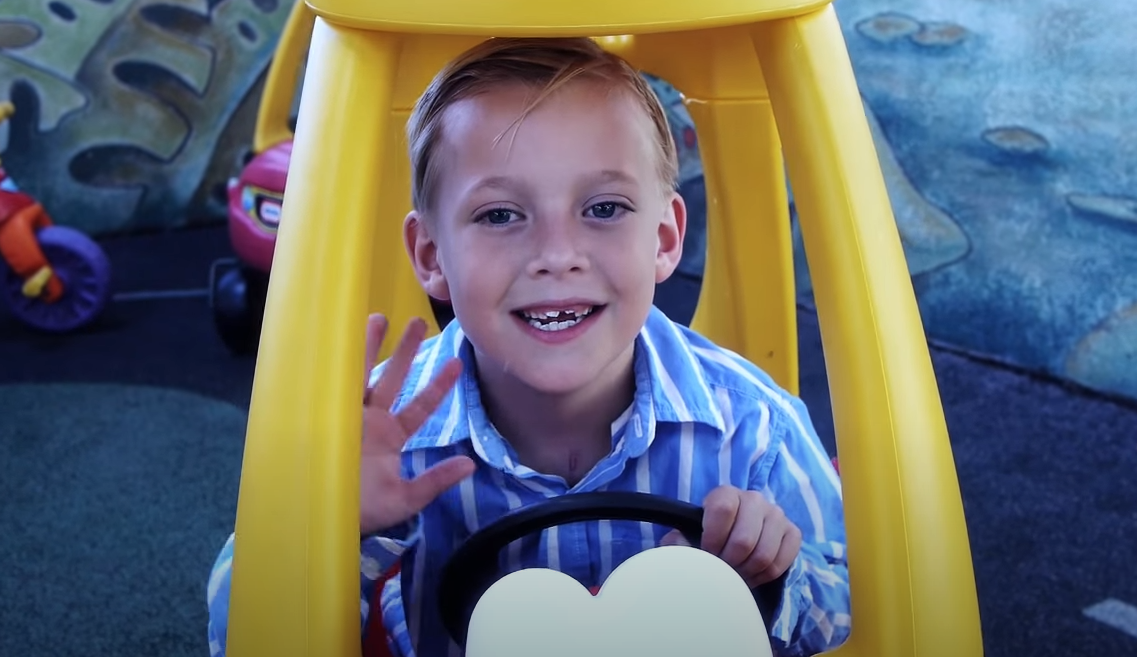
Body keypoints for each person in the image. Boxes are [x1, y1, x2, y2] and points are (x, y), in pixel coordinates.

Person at [206, 36, 849, 657]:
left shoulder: (757, 429)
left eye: (602, 208)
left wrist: (774, 578)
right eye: (500, 215)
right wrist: (334, 530)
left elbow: (859, 608)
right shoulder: (372, 436)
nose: (556, 255)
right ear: (431, 256)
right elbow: (239, 635)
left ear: (663, 238)